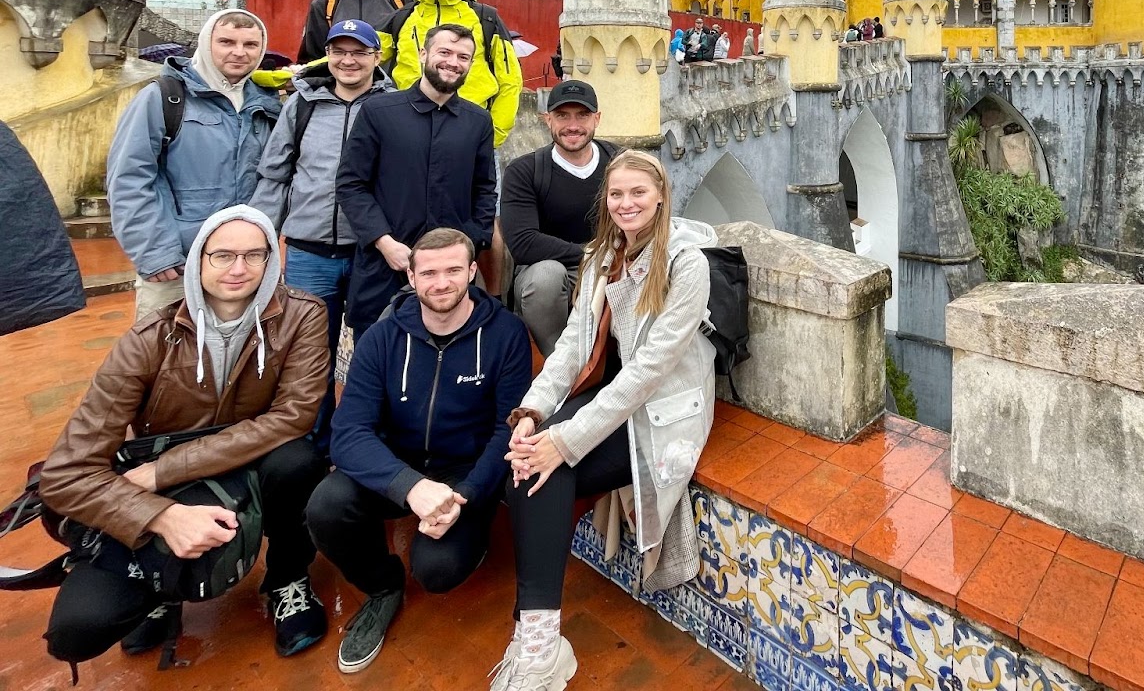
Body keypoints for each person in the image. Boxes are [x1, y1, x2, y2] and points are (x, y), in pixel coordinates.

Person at [39, 206, 330, 671]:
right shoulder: (149, 338)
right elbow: (65, 474)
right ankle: (162, 590)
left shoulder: (302, 317)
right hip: (167, 480)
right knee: (79, 628)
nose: (240, 269)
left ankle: (287, 577)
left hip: (244, 459)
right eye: (223, 256)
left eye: (255, 255)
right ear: (198, 260)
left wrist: (160, 473)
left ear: (272, 260)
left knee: (299, 461)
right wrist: (160, 516)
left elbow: (293, 415)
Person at [493, 152, 716, 690]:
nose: (626, 204)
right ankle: (542, 638)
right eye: (617, 195)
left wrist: (564, 441)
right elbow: (571, 348)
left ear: (661, 195)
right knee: (528, 467)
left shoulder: (687, 265)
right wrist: (533, 411)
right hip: (609, 399)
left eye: (638, 193)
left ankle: (536, 639)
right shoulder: (601, 256)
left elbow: (646, 373)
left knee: (547, 465)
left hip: (664, 411)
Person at [305, 228, 532, 674]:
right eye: (429, 272)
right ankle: (382, 588)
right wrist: (409, 486)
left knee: (438, 571)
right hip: (399, 467)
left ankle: (474, 532)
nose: (441, 282)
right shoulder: (383, 337)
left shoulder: (506, 334)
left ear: (471, 271)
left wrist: (464, 493)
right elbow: (348, 431)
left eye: (453, 270)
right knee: (326, 506)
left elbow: (507, 429)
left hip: (463, 477)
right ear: (410, 275)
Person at [250, 18, 393, 450]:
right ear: (327, 55)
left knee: (375, 348)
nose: (348, 60)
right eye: (339, 51)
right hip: (310, 249)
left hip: (371, 250)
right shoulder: (302, 104)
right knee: (309, 351)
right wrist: (260, 237)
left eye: (358, 51)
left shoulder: (392, 106)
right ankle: (312, 437)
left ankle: (368, 434)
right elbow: (275, 174)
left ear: (376, 57)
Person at [108, 8, 281, 320]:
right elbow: (129, 178)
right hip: (176, 261)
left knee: (237, 354)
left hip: (242, 262)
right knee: (166, 355)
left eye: (250, 45)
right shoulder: (163, 97)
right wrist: (154, 252)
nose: (239, 52)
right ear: (206, 43)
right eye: (227, 42)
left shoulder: (267, 103)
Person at [337, 23, 497, 336]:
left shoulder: (478, 121)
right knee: (377, 363)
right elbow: (351, 184)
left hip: (449, 276)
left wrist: (470, 244)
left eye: (463, 57)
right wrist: (384, 243)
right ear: (423, 54)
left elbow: (484, 190)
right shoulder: (379, 112)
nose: (453, 62)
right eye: (445, 52)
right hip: (385, 266)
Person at [500, 81, 617, 354]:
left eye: (582, 115)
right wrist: (589, 255)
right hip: (560, 269)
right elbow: (523, 242)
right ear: (547, 119)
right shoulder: (525, 171)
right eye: (563, 115)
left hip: (614, 262)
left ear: (597, 119)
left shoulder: (619, 161)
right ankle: (560, 361)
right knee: (545, 276)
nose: (572, 125)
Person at [385, 0, 522, 148]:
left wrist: (493, 136)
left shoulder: (485, 17)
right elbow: (359, 55)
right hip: (410, 129)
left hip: (470, 129)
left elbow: (510, 81)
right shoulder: (403, 16)